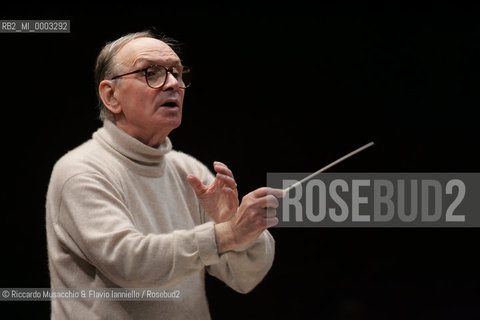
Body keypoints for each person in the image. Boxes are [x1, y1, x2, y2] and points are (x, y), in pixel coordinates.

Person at [45, 30, 284, 319]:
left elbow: (244, 278)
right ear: (111, 95)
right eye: (152, 73)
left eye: (177, 73)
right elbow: (129, 265)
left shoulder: (189, 171)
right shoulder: (80, 171)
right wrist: (227, 234)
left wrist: (244, 232)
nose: (173, 84)